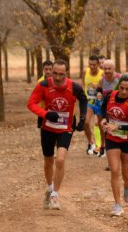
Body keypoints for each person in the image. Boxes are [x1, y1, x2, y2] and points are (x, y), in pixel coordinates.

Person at [27, 59, 88, 210]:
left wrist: (82, 118)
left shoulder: (74, 87)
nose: (57, 77)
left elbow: (83, 99)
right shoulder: (44, 85)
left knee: (60, 160)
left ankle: (55, 194)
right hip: (47, 127)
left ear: (66, 73)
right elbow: (31, 104)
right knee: (48, 160)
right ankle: (49, 188)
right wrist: (46, 114)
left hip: (65, 127)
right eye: (55, 73)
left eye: (61, 74)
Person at [100, 73, 128, 216]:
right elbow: (103, 111)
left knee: (126, 174)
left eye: (127, 89)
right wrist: (104, 120)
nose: (123, 91)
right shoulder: (110, 95)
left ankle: (127, 186)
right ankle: (117, 205)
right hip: (111, 138)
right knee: (115, 170)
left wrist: (119, 127)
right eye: (122, 88)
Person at [96, 59, 121, 158]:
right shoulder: (102, 80)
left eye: (109, 69)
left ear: (114, 68)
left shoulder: (119, 78)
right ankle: (107, 149)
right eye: (105, 69)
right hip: (106, 109)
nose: (106, 71)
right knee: (106, 130)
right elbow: (98, 90)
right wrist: (98, 93)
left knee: (116, 131)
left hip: (119, 109)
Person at [82, 55, 104, 155]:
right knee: (85, 122)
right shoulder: (85, 72)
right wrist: (83, 92)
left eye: (94, 65)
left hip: (100, 102)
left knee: (99, 124)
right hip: (89, 101)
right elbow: (83, 82)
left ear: (98, 64)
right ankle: (91, 143)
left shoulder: (102, 73)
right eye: (90, 64)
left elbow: (106, 86)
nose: (92, 66)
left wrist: (98, 88)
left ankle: (102, 146)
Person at [36, 60, 53, 129]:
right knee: (43, 129)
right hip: (43, 110)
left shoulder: (57, 80)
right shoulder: (40, 81)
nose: (48, 71)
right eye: (46, 69)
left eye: (50, 69)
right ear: (43, 69)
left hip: (54, 109)